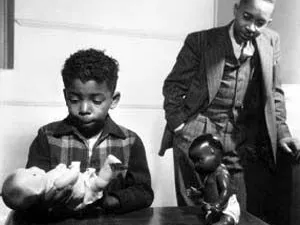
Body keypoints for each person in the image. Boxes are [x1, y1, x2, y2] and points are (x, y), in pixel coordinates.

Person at [159, 0, 300, 224]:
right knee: (196, 210)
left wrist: (282, 132)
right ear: (236, 10)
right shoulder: (200, 41)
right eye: (247, 17)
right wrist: (180, 127)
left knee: (236, 210)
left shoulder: (271, 40)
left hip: (238, 136)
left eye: (260, 22)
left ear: (268, 22)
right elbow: (173, 86)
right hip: (197, 131)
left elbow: (275, 92)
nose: (252, 27)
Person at [24, 48, 154, 218]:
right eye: (75, 99)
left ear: (113, 100)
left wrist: (105, 201)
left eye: (97, 100)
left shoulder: (129, 141)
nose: (84, 109)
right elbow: (31, 190)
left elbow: (143, 192)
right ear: (65, 96)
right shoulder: (47, 137)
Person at [1, 155, 126, 212]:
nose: (33, 168)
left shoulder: (47, 180)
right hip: (84, 189)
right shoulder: (56, 185)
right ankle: (109, 165)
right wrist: (75, 168)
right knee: (100, 184)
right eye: (32, 174)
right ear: (38, 190)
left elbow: (57, 171)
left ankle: (110, 165)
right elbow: (71, 178)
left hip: (81, 183)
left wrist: (60, 167)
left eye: (27, 169)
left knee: (100, 183)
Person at [187, 134, 240, 225]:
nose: (196, 165)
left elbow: (226, 191)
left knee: (227, 220)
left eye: (199, 160)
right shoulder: (210, 173)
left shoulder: (221, 172)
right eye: (194, 162)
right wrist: (198, 192)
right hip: (214, 209)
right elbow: (209, 189)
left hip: (226, 208)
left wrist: (218, 205)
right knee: (209, 219)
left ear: (212, 152)